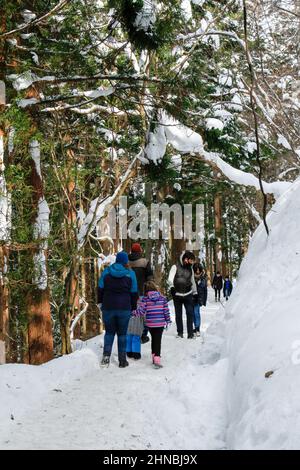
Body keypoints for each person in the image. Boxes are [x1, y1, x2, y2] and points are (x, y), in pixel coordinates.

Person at [98, 251, 138, 368]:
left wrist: (100, 303)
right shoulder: (130, 274)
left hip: (108, 307)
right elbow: (134, 293)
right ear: (126, 261)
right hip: (124, 308)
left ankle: (106, 357)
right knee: (122, 334)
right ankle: (122, 360)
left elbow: (100, 288)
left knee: (109, 332)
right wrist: (133, 308)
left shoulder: (107, 271)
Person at [137, 281, 171, 368]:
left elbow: (141, 312)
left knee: (154, 340)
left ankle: (154, 356)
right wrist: (168, 321)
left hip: (150, 324)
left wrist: (132, 313)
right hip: (160, 324)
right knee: (157, 341)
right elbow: (166, 311)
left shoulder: (145, 299)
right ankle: (157, 359)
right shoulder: (162, 298)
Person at [128, 243, 153, 344]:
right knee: (143, 314)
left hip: (129, 293)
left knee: (131, 315)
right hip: (142, 292)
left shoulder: (126, 262)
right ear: (140, 251)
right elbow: (150, 277)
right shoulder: (145, 262)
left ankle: (131, 335)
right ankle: (143, 335)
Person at [168, 251, 197, 339]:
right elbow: (170, 279)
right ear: (185, 259)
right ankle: (180, 332)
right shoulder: (175, 266)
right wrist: (172, 287)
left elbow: (193, 281)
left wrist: (195, 293)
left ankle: (190, 334)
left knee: (190, 313)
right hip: (177, 294)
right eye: (191, 261)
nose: (192, 263)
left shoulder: (190, 269)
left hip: (188, 294)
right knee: (178, 314)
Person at [193, 263, 208, 336]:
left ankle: (197, 328)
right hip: (191, 297)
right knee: (192, 314)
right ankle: (195, 327)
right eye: (196, 269)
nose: (198, 271)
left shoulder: (203, 277)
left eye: (199, 269)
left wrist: (204, 300)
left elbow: (205, 289)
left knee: (196, 313)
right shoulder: (191, 276)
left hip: (199, 298)